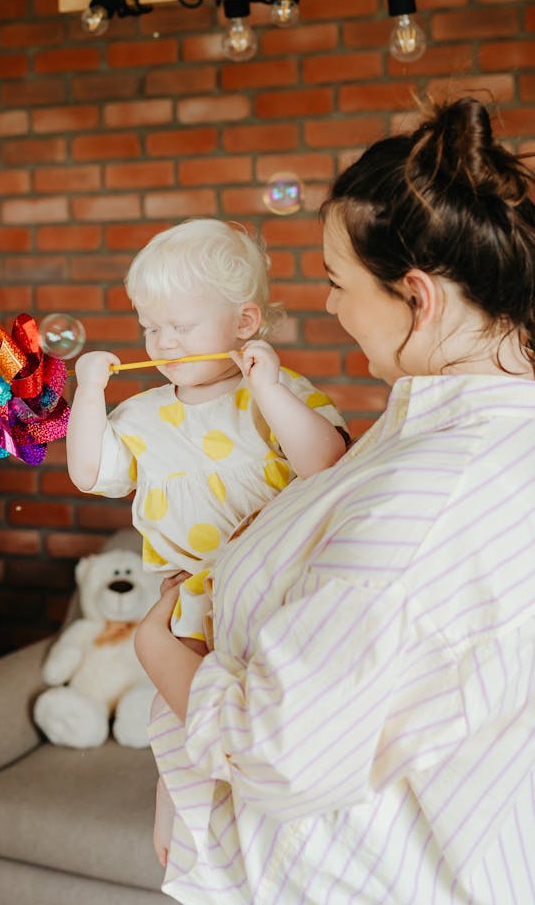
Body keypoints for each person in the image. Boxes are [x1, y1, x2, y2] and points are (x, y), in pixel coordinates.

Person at [134, 97, 535, 905]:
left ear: (416, 297)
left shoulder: (429, 492)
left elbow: (280, 750)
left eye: (336, 282)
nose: (326, 305)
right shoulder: (436, 425)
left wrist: (158, 648)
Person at [66, 218, 349, 866]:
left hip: (271, 597)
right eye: (150, 326)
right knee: (184, 719)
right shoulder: (139, 415)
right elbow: (88, 472)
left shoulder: (270, 399)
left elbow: (326, 460)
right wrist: (87, 394)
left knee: (261, 727)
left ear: (245, 321)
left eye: (180, 326)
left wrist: (271, 388)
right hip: (189, 603)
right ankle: (178, 803)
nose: (161, 342)